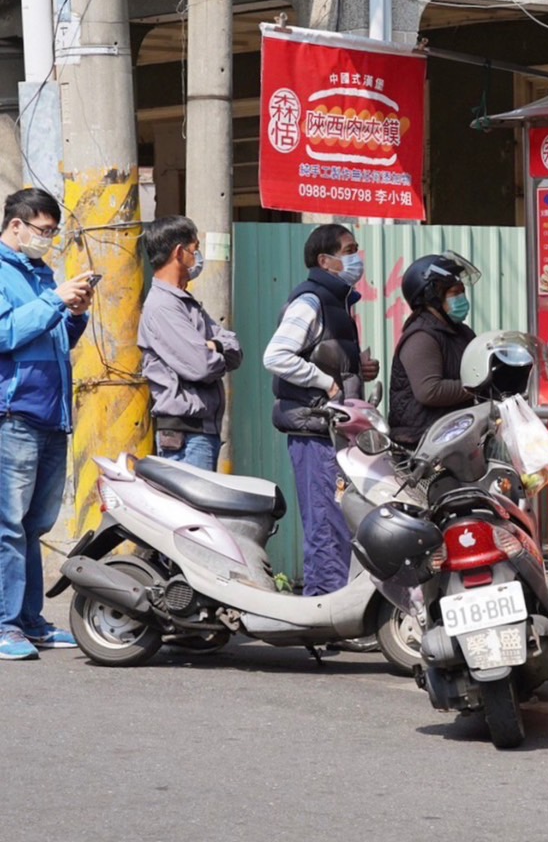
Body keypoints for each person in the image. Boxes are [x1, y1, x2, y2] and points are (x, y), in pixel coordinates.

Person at [262, 224, 378, 596]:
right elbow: (276, 356)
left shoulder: (337, 302)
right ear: (324, 261)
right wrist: (324, 382)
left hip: (333, 431)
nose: (355, 257)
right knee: (326, 525)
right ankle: (323, 608)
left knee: (339, 522)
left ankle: (333, 605)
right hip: (314, 430)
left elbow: (325, 354)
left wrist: (356, 369)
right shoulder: (310, 301)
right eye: (348, 249)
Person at [0, 187, 92, 660]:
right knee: (9, 526)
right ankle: (5, 625)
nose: (48, 240)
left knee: (34, 526)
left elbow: (53, 338)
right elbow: (5, 333)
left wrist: (73, 314)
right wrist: (55, 300)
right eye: (43, 231)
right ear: (15, 224)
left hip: (52, 417)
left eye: (54, 232)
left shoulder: (40, 274)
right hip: (13, 416)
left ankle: (30, 621)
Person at [137, 216, 242, 472]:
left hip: (200, 431)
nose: (198, 257)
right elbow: (201, 366)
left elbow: (235, 348)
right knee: (191, 511)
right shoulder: (163, 307)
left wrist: (213, 345)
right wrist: (212, 350)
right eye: (195, 250)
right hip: (186, 436)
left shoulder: (183, 302)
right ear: (179, 252)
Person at [388, 253, 480, 449]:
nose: (461, 298)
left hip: (451, 435)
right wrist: (479, 385)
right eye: (455, 293)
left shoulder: (462, 332)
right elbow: (429, 391)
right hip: (421, 443)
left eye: (462, 292)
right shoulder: (421, 336)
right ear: (432, 297)